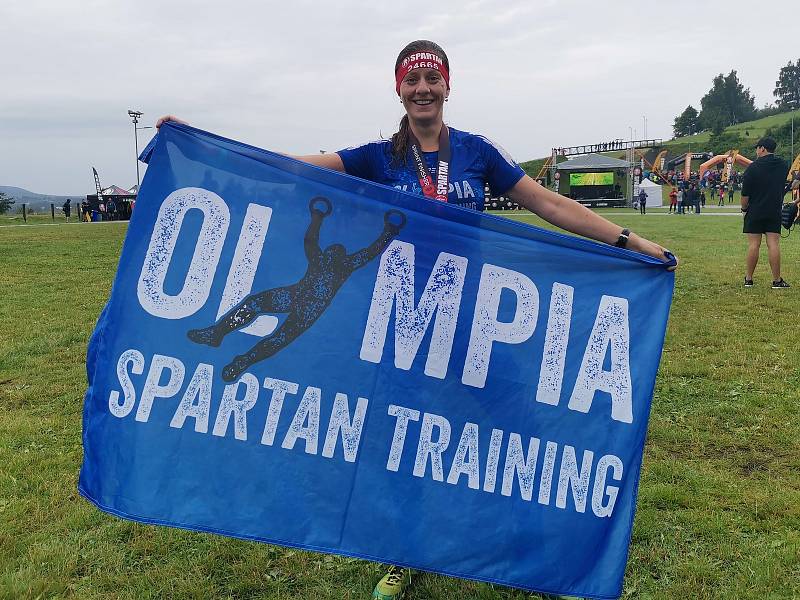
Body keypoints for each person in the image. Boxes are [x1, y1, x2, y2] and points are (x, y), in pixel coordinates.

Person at [157, 39, 677, 600]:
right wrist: (202, 144)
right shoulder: (380, 157)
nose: (423, 89)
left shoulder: (477, 153)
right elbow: (295, 169)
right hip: (401, 320)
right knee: (400, 436)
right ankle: (400, 554)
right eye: (412, 80)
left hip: (472, 319)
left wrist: (631, 240)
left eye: (433, 79)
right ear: (399, 88)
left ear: (448, 85)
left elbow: (548, 204)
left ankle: (534, 535)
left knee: (514, 421)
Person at [741, 137, 790, 288]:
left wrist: (744, 209)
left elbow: (745, 195)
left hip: (755, 210)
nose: (756, 151)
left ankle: (749, 279)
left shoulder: (752, 167)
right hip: (774, 210)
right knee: (773, 244)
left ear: (762, 148)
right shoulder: (783, 165)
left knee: (754, 245)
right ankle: (776, 280)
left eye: (757, 148)